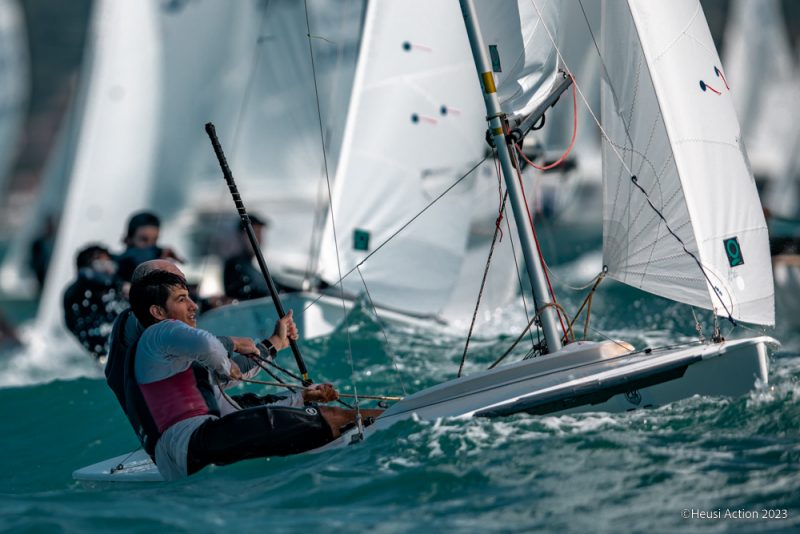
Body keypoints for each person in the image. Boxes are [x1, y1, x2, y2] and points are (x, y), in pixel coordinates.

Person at [108, 260, 378, 480]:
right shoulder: (154, 335)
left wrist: (277, 351)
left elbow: (221, 391)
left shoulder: (165, 350)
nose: (192, 304)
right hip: (185, 443)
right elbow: (210, 348)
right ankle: (390, 417)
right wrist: (230, 348)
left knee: (265, 405)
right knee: (330, 416)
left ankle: (325, 414)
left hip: (179, 451)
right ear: (154, 304)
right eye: (180, 294)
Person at [62, 244, 128, 360]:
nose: (108, 269)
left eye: (109, 264)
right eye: (101, 265)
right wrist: (120, 285)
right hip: (95, 356)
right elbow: (85, 275)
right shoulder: (76, 294)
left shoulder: (114, 296)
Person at [116, 211, 183, 283]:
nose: (150, 246)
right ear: (129, 239)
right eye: (144, 240)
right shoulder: (117, 265)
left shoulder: (158, 254)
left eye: (155, 240)